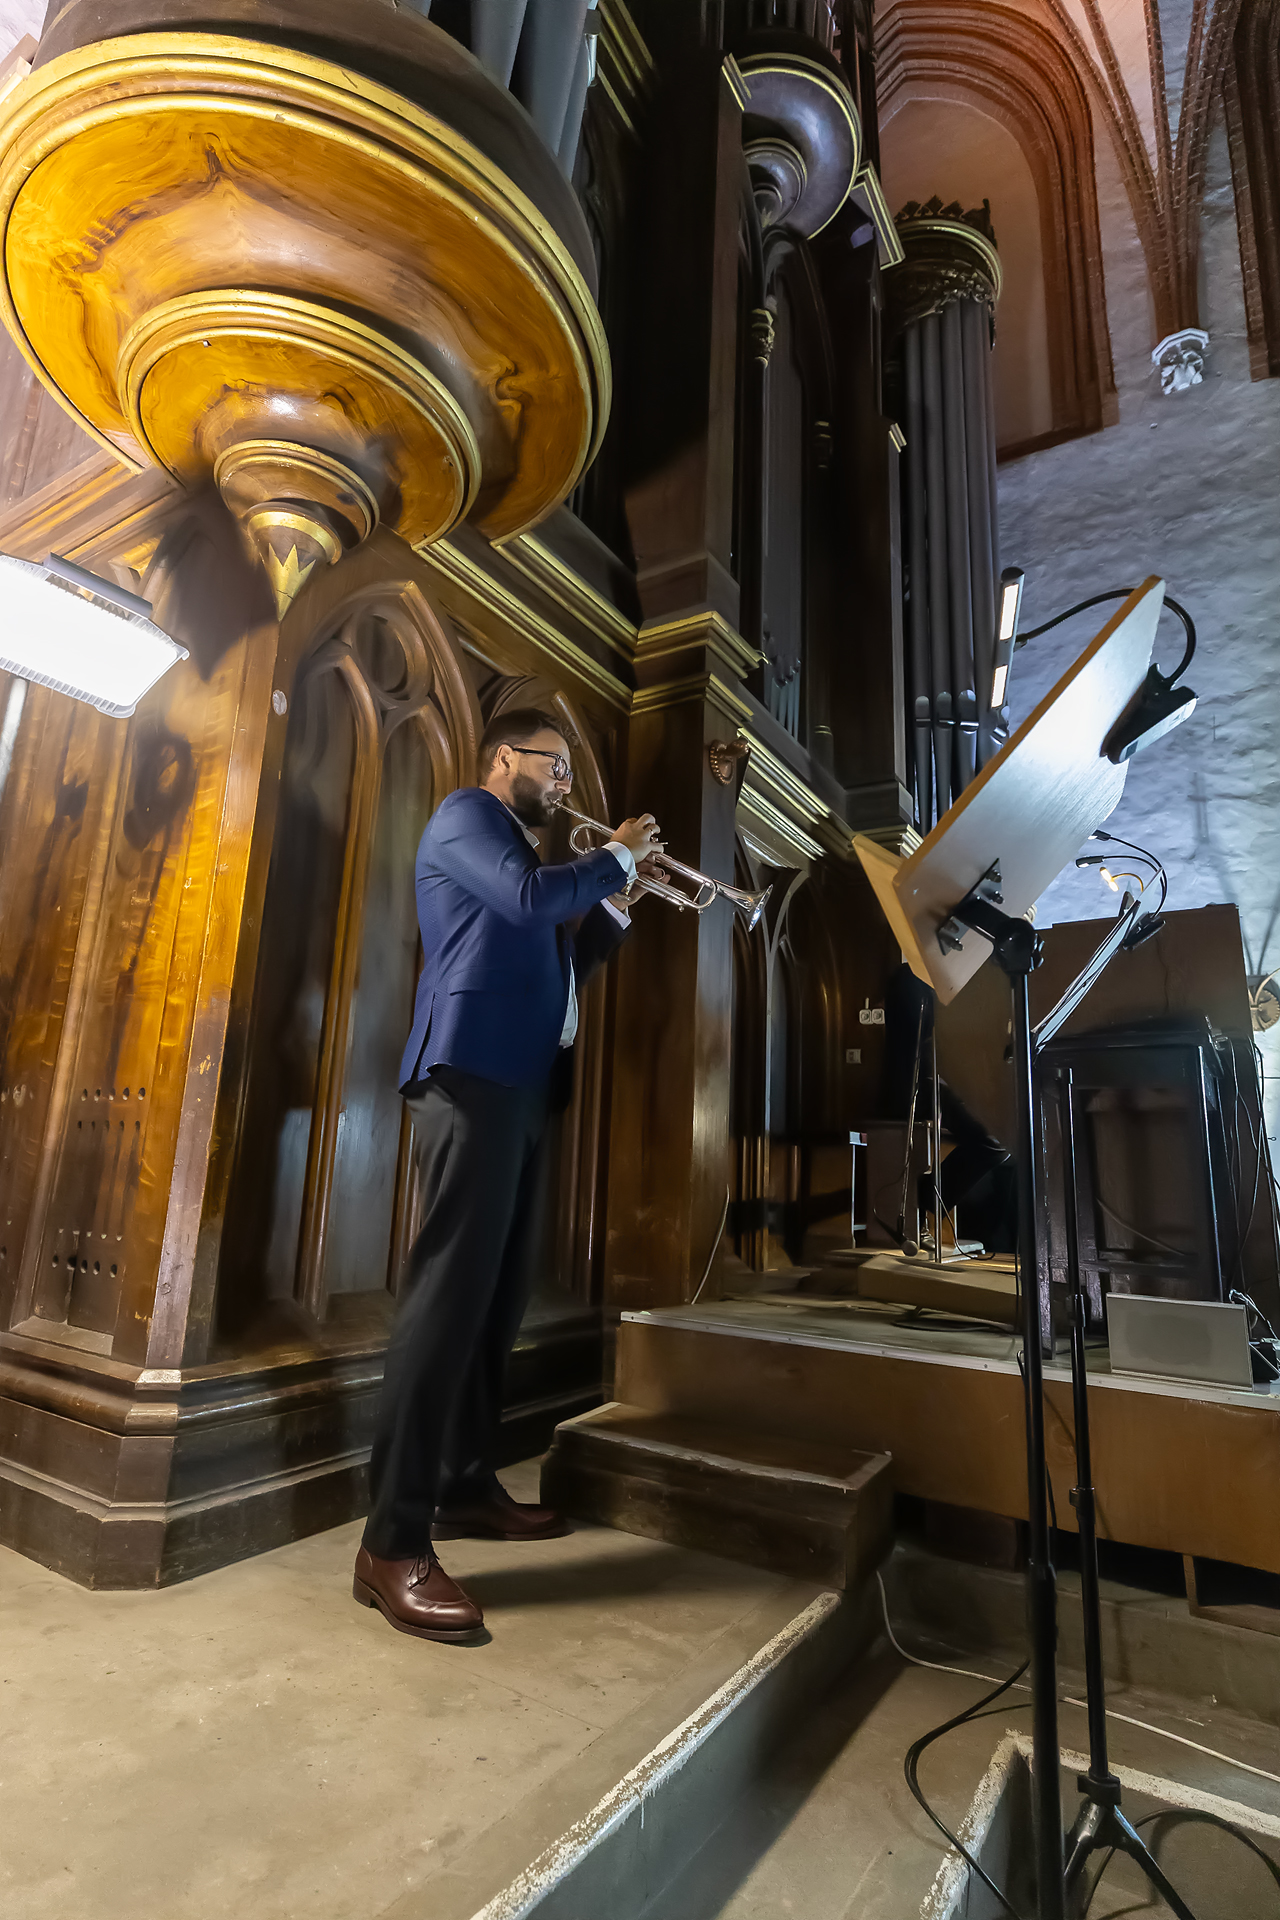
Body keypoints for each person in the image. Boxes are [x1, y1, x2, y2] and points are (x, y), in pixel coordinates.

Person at [354, 707, 665, 1642]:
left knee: (498, 1301)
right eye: (554, 767)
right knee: (447, 1301)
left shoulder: (527, 862)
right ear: (505, 759)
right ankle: (391, 1543)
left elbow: (559, 961)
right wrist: (614, 855)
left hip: (524, 1086)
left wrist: (618, 902)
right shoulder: (466, 817)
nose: (565, 785)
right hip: (470, 1075)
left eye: (567, 772)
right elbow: (529, 905)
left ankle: (460, 1485)